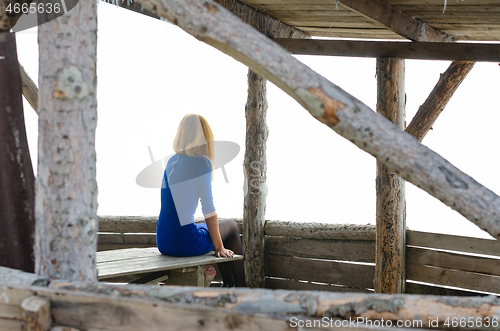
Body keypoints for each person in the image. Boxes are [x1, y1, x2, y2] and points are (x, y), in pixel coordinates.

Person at [156, 114, 247, 287]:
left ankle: (228, 285)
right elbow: (208, 208)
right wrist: (219, 247)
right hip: (184, 243)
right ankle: (241, 287)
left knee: (215, 228)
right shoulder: (201, 162)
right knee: (232, 226)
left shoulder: (171, 161)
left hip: (163, 240)